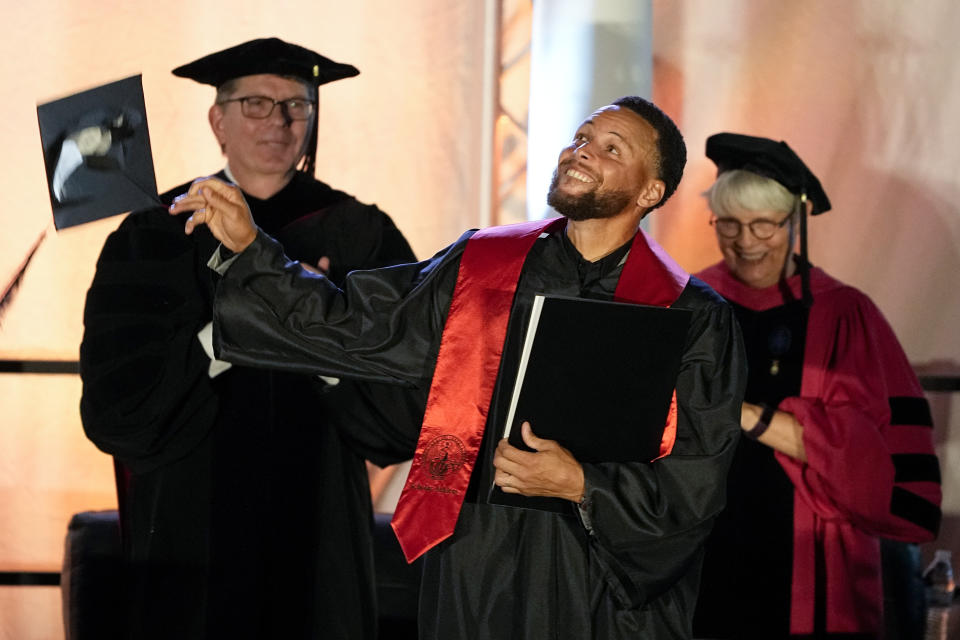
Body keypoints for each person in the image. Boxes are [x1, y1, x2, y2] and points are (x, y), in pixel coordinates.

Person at [170, 95, 747, 639]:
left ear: (651, 191)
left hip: (599, 573)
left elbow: (697, 477)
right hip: (478, 555)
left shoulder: (692, 317)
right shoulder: (485, 264)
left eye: (612, 147)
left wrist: (581, 484)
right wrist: (254, 251)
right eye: (581, 137)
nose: (583, 149)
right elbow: (361, 321)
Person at [79, 38, 416, 640]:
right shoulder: (156, 231)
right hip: (189, 537)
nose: (280, 121)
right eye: (257, 103)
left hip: (319, 539)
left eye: (298, 105)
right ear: (219, 120)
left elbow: (405, 407)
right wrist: (225, 336)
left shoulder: (362, 233)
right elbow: (115, 409)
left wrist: (318, 333)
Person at [691, 133, 943, 639]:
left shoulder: (846, 314)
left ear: (795, 222)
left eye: (764, 224)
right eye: (730, 225)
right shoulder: (690, 302)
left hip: (808, 557)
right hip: (699, 548)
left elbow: (871, 465)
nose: (746, 241)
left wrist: (747, 414)